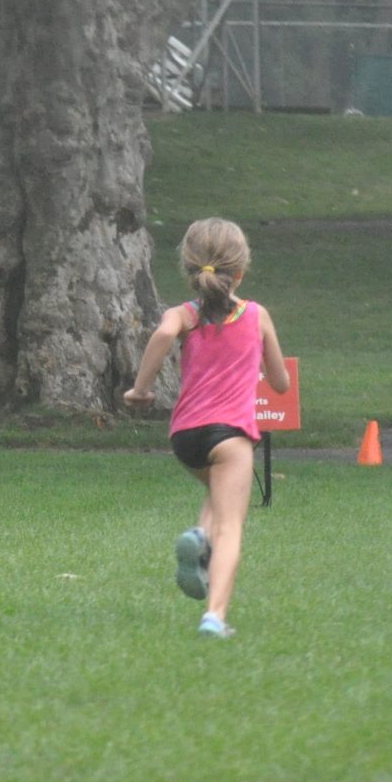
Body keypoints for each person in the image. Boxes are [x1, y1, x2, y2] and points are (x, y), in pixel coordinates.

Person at [121, 217, 290, 639]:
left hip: (185, 437)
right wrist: (271, 374)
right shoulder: (256, 315)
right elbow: (281, 383)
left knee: (217, 495)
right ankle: (215, 616)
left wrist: (141, 390)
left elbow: (162, 333)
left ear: (191, 269)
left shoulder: (184, 315)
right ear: (241, 271)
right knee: (232, 526)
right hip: (231, 435)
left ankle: (199, 534)